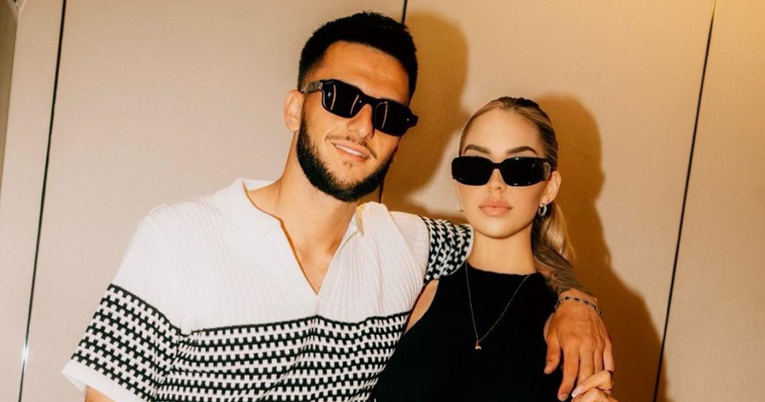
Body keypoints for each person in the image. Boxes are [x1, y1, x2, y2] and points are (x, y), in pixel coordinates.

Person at [62, 13, 611, 402]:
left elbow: (510, 241)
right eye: (342, 99)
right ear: (294, 109)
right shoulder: (178, 240)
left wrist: (575, 302)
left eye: (388, 114)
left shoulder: (407, 246)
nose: (363, 126)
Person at [373, 97, 617, 402]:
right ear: (458, 185)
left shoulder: (566, 329)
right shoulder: (416, 290)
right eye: (476, 166)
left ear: (549, 187)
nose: (496, 184)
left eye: (520, 168)